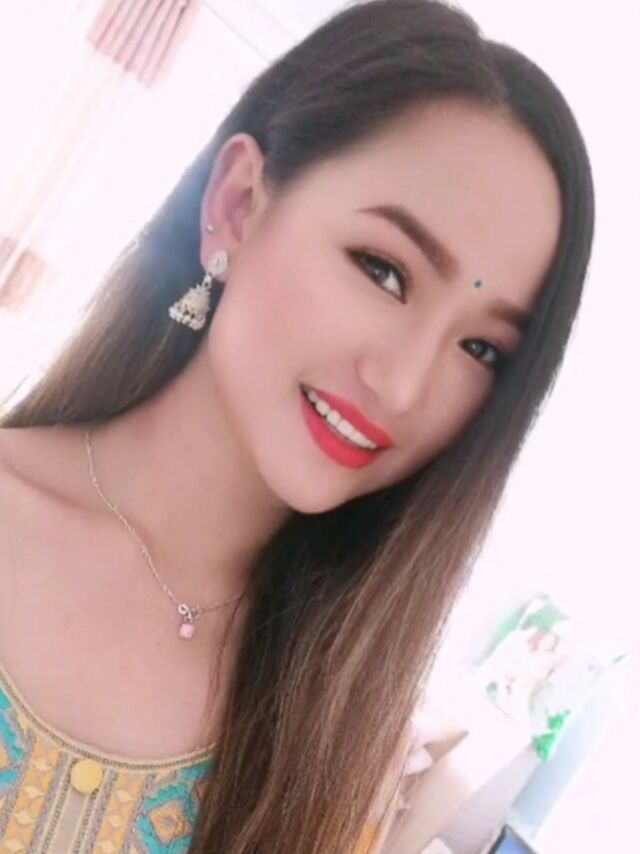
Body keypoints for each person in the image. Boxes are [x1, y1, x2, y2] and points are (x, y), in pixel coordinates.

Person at [0, 0, 594, 851]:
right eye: (383, 270)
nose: (403, 387)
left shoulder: (349, 737)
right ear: (239, 203)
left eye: (482, 349)